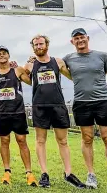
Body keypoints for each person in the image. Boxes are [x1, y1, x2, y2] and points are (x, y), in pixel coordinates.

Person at [64, 28, 107, 192]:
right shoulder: (68, 59)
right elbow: (50, 64)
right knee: (87, 139)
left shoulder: (102, 56)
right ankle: (91, 174)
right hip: (81, 103)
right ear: (72, 41)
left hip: (103, 102)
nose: (80, 40)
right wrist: (32, 59)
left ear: (87, 38)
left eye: (82, 37)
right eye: (76, 38)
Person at [23, 35, 85, 189]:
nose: (38, 47)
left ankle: (68, 173)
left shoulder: (57, 62)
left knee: (63, 141)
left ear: (47, 45)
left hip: (58, 105)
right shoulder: (31, 65)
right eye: (35, 45)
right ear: (33, 47)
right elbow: (23, 77)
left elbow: (72, 76)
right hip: (39, 106)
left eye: (41, 44)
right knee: (40, 141)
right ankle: (44, 174)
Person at [0, 46, 38, 186]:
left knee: (21, 140)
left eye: (4, 53)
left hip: (18, 111)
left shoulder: (16, 70)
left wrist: (30, 64)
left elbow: (31, 81)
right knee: (4, 141)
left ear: (8, 55)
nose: (2, 56)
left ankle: (29, 173)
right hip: (1, 112)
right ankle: (7, 172)